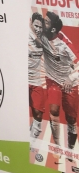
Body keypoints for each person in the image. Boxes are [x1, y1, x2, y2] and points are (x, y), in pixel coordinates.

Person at [41, 11, 79, 158]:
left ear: (53, 29)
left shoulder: (65, 44)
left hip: (70, 82)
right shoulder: (41, 35)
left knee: (71, 118)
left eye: (46, 22)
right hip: (52, 80)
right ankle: (57, 147)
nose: (43, 24)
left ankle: (70, 150)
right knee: (54, 111)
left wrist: (70, 78)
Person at [29, 13, 47, 140]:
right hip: (22, 80)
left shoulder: (44, 39)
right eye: (36, 26)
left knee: (38, 114)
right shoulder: (24, 36)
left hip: (36, 79)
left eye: (40, 27)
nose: (38, 29)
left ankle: (31, 143)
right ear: (31, 24)